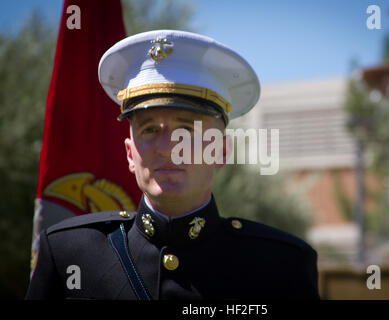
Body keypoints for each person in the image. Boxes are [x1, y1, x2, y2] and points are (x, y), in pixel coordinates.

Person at [26, 30, 319, 300]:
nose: (167, 148)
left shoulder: (280, 266)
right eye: (149, 130)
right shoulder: (68, 254)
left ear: (221, 152)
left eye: (186, 130)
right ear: (130, 154)